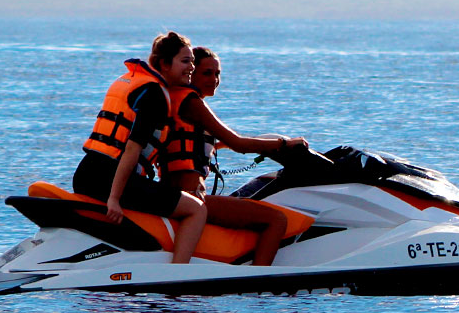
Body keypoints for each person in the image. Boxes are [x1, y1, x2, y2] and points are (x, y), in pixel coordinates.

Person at [153, 46, 305, 266]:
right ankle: (258, 285)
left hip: (176, 194)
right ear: (191, 72)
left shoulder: (176, 100)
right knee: (276, 220)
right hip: (190, 197)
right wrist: (285, 143)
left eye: (218, 74)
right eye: (207, 73)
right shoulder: (191, 103)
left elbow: (206, 142)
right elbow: (237, 143)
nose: (214, 79)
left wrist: (260, 144)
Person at [72, 31, 208, 263]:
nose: (191, 68)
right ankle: (179, 272)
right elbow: (132, 150)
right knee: (196, 209)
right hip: (111, 181)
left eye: (193, 62)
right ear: (164, 63)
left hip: (86, 173)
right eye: (185, 61)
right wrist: (114, 199)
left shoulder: (131, 81)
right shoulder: (154, 94)